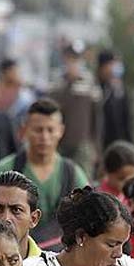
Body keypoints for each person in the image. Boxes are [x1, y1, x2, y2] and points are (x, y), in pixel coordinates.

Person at [0, 99, 89, 250]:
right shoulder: (5, 170)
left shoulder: (73, 174)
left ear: (61, 131)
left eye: (50, 130)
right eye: (38, 130)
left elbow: (86, 219)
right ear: (24, 130)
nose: (44, 137)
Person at [52, 42, 101, 173]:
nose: (73, 62)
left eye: (76, 59)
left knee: (83, 182)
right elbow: (52, 106)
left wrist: (96, 146)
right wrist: (69, 83)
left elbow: (96, 116)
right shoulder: (57, 80)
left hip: (82, 143)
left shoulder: (90, 81)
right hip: (59, 142)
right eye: (70, 58)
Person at [96, 49, 132, 150]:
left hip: (118, 145)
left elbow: (126, 121)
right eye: (112, 63)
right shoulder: (95, 89)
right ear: (103, 66)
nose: (116, 67)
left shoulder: (119, 89)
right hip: (100, 147)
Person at [97, 140, 134, 204]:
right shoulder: (99, 197)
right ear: (107, 172)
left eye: (132, 179)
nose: (128, 184)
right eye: (122, 178)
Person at [0, 58, 35, 124]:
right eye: (14, 71)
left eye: (17, 71)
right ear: (5, 73)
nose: (17, 74)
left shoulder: (25, 94)